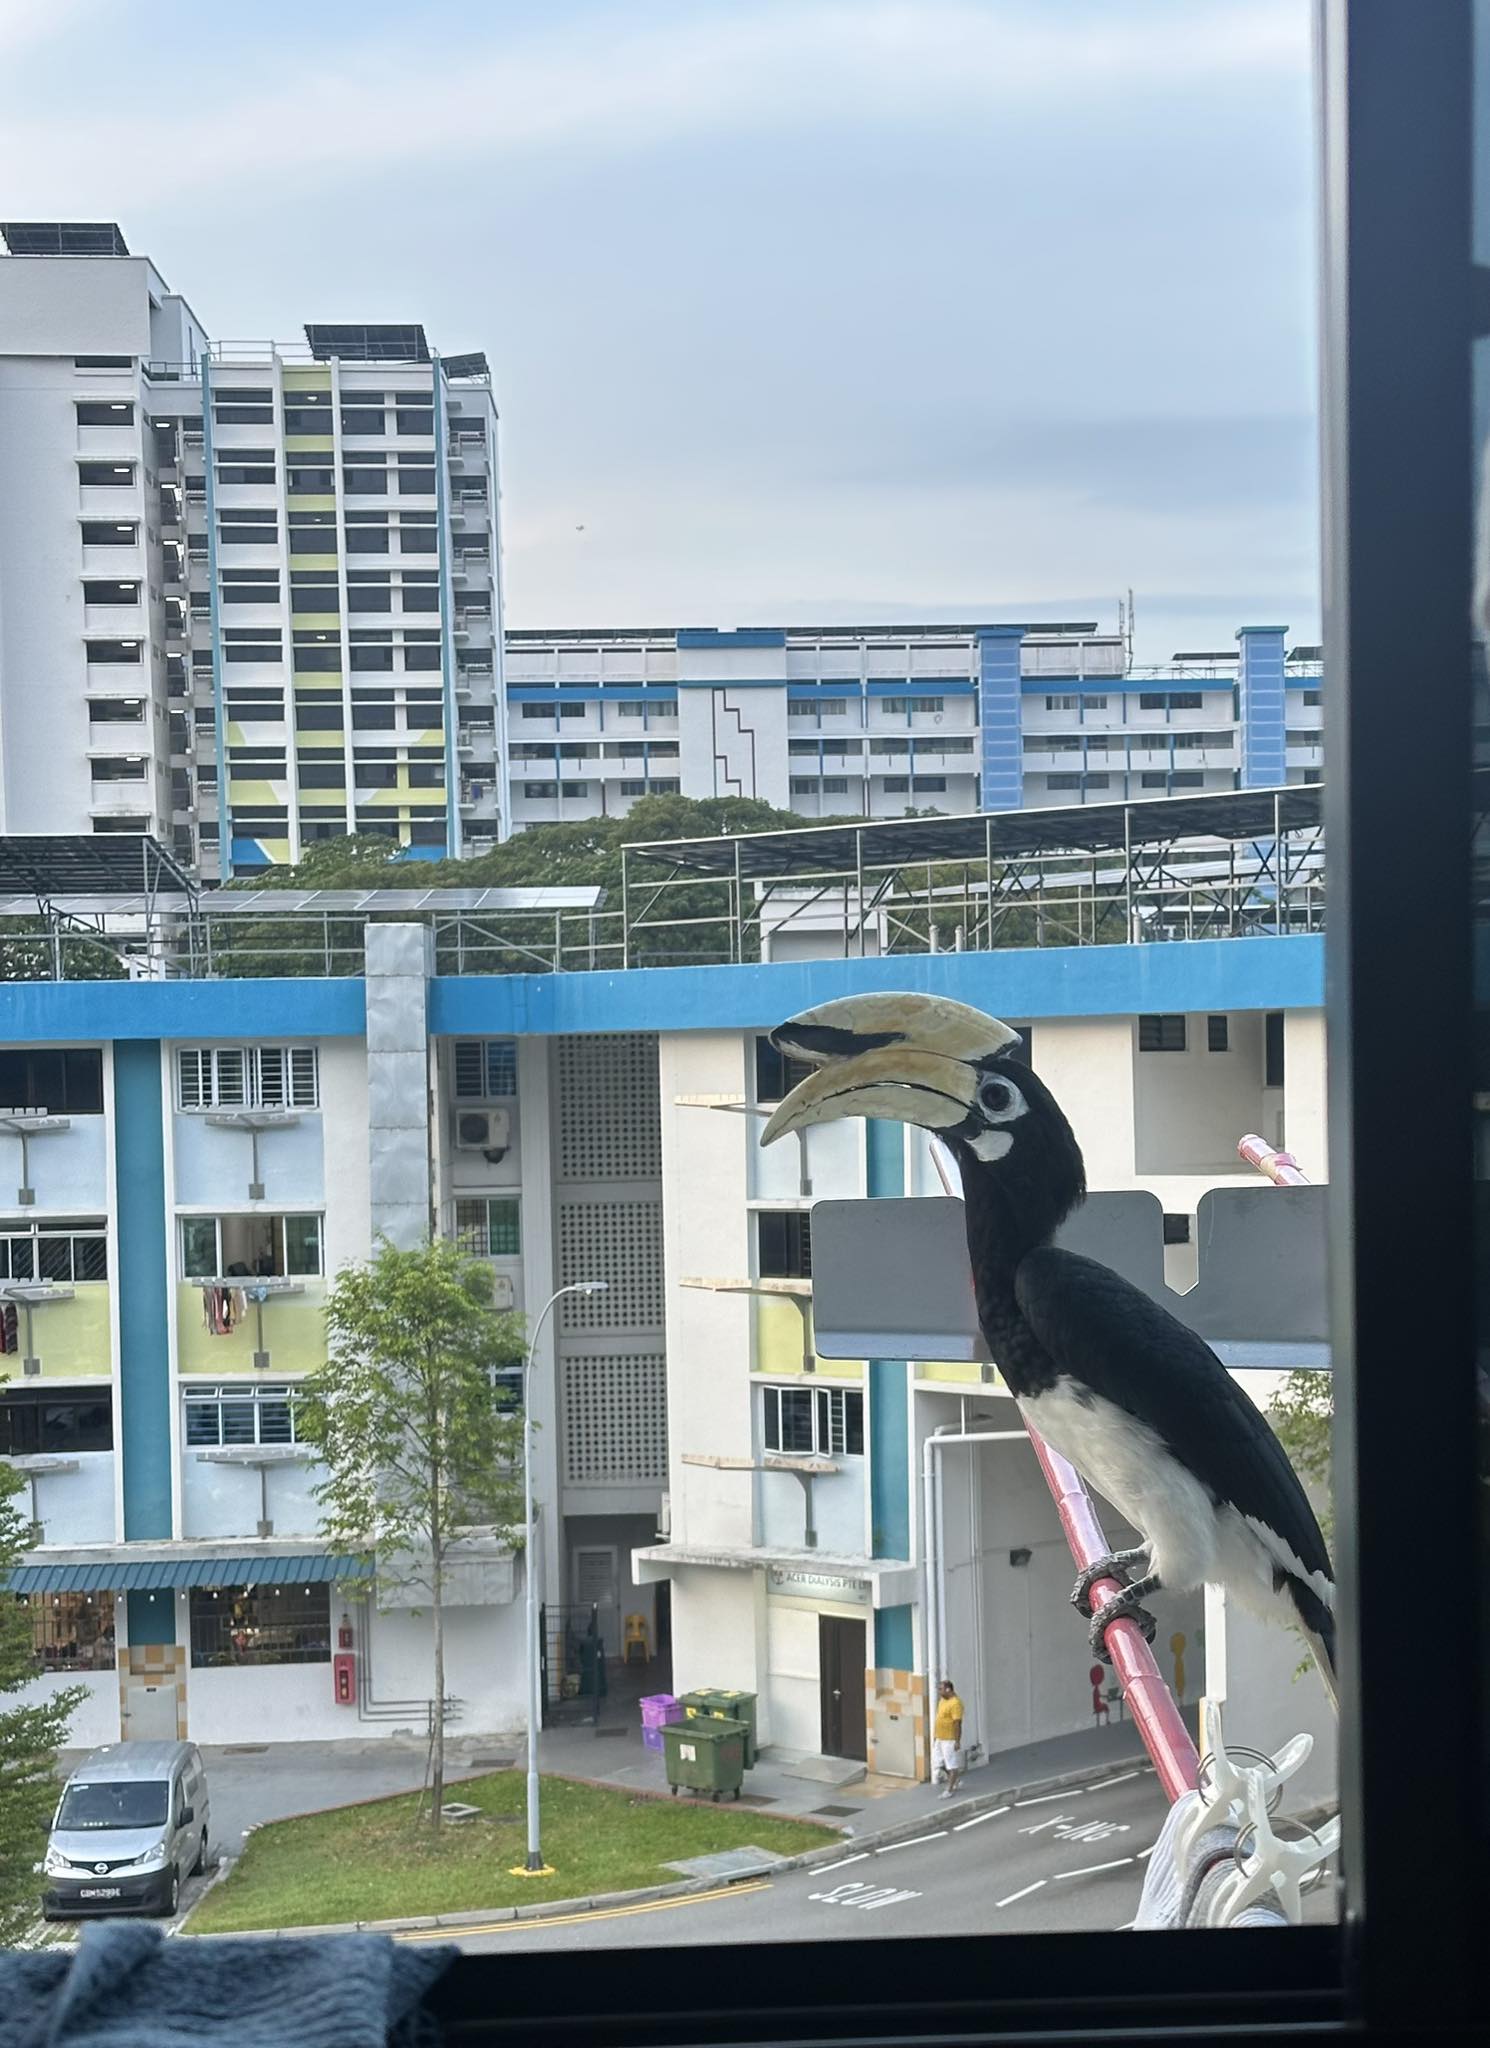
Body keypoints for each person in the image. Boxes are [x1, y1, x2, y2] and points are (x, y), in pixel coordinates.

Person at [932, 1677, 965, 1799]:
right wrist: (935, 1737)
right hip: (940, 1738)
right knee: (938, 1763)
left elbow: (957, 1723)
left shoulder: (955, 1703)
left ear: (948, 1689)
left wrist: (957, 1741)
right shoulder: (942, 1700)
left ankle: (949, 1789)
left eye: (941, 1689)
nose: (939, 1692)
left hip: (949, 1739)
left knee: (951, 1764)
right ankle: (955, 1780)